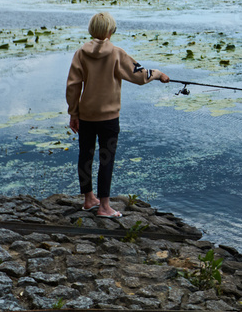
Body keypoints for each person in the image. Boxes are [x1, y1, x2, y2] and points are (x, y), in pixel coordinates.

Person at [66, 12, 169, 218]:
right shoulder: (116, 53)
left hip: (86, 115)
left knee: (85, 155)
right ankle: (104, 207)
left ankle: (88, 199)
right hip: (109, 118)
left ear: (91, 30)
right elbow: (139, 76)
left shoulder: (80, 53)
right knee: (107, 159)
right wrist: (158, 74)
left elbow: (73, 85)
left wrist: (73, 112)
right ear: (110, 31)